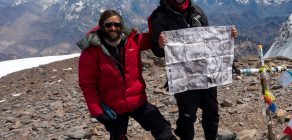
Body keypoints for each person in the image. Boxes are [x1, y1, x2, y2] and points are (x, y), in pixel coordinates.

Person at [77, 10, 175, 140]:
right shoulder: (92, 50)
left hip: (137, 101)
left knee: (162, 128)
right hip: (113, 106)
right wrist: (97, 112)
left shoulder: (133, 40)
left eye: (117, 25)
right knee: (118, 136)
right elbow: (87, 84)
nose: (113, 28)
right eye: (108, 25)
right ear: (102, 26)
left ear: (121, 26)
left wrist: (154, 22)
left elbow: (152, 39)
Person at [148, 0, 238, 139]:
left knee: (212, 111)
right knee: (188, 115)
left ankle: (212, 137)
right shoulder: (159, 17)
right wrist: (159, 45)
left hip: (206, 72)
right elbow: (157, 51)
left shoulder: (197, 11)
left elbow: (210, 39)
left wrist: (227, 37)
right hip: (184, 76)